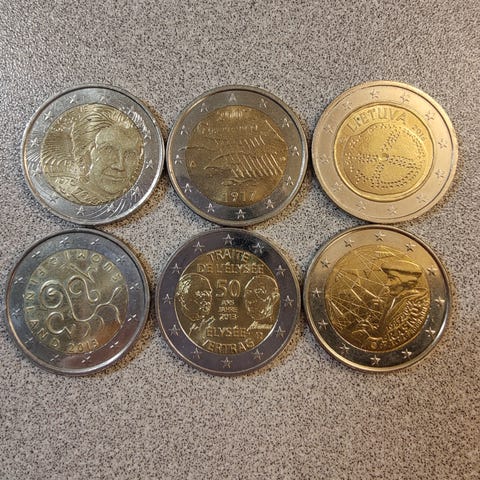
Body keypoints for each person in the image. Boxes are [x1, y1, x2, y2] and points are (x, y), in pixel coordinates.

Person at [42, 104, 143, 204]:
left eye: (130, 154)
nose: (120, 166)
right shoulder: (67, 191)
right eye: (108, 150)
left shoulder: (132, 197)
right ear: (82, 155)